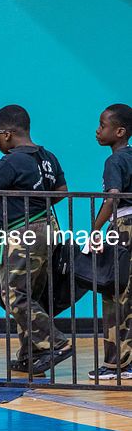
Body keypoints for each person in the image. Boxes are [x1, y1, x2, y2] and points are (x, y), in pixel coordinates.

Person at [0, 104, 72, 374]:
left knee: (14, 296)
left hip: (22, 233)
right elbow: (62, 191)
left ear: (6, 134)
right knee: (31, 295)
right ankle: (31, 354)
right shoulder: (47, 157)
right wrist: (36, 202)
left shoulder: (13, 160)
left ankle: (58, 343)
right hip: (46, 230)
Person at [88, 103, 132, 380]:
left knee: (115, 294)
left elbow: (113, 196)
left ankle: (116, 364)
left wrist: (96, 228)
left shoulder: (114, 161)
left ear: (119, 132)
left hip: (124, 227)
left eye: (102, 126)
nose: (97, 130)